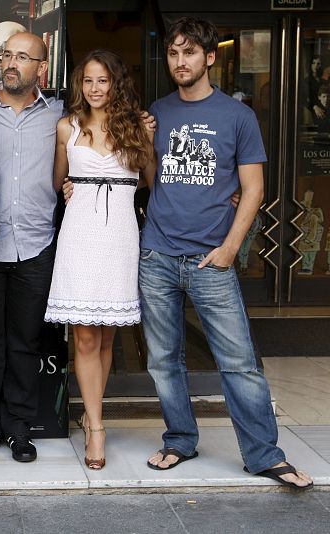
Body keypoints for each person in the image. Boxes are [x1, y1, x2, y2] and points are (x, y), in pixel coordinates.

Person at [141, 16, 313, 490]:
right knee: (163, 361)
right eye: (174, 53)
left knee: (238, 363)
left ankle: (263, 454)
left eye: (190, 53)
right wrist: (145, 142)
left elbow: (253, 188)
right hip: (157, 255)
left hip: (210, 260)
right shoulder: (158, 109)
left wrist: (230, 249)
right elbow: (156, 182)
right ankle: (179, 440)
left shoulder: (238, 116)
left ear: (210, 57)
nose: (180, 61)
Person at [45, 49, 153, 470]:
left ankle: (93, 415)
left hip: (120, 235)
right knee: (86, 335)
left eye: (103, 81)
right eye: (88, 81)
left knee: (107, 336)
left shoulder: (136, 126)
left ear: (116, 83)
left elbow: (151, 179)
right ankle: (96, 426)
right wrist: (70, 187)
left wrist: (148, 137)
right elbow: (57, 182)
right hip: (80, 234)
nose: (94, 89)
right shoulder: (65, 127)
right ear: (79, 84)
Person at [0, 32, 63, 464]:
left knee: (24, 342)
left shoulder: (61, 115)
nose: (12, 62)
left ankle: (19, 429)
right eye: (7, 54)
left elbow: (105, 130)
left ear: (42, 67)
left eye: (23, 56)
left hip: (37, 245)